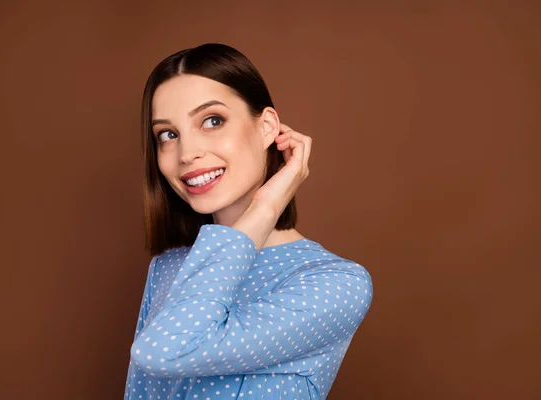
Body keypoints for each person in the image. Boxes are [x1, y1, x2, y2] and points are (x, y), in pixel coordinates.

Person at [124, 43, 373, 400]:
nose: (187, 153)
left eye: (212, 121)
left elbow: (164, 351)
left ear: (268, 126)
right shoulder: (169, 267)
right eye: (168, 134)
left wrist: (267, 206)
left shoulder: (335, 283)